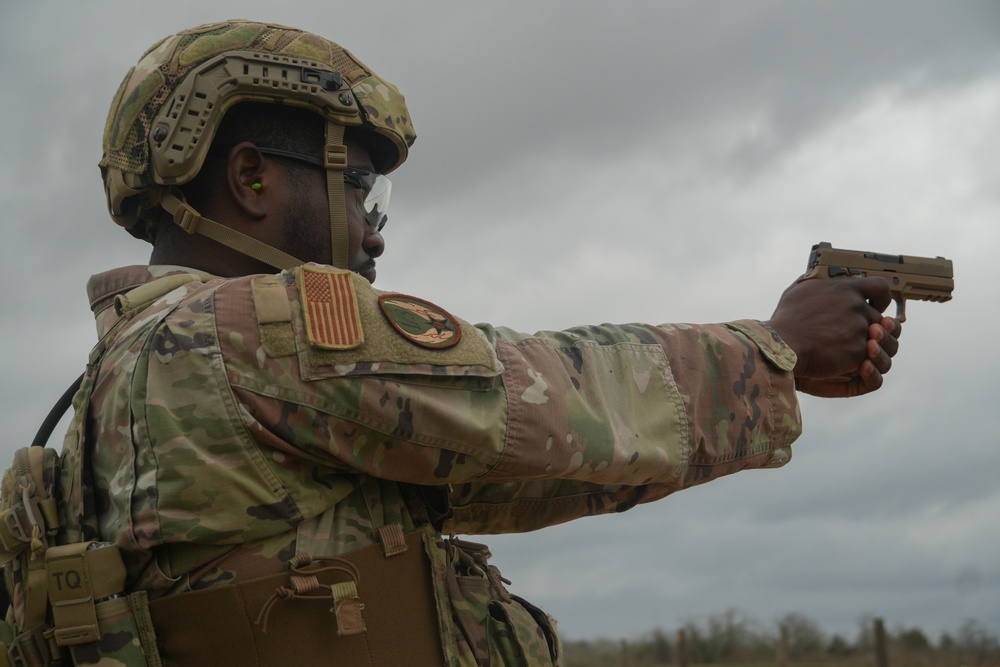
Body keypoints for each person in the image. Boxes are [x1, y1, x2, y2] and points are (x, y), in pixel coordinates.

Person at [2, 19, 900, 667]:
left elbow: (505, 474)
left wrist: (760, 392)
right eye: (358, 189)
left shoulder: (118, 377)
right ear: (251, 178)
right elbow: (544, 405)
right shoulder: (247, 334)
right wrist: (774, 349)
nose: (375, 234)